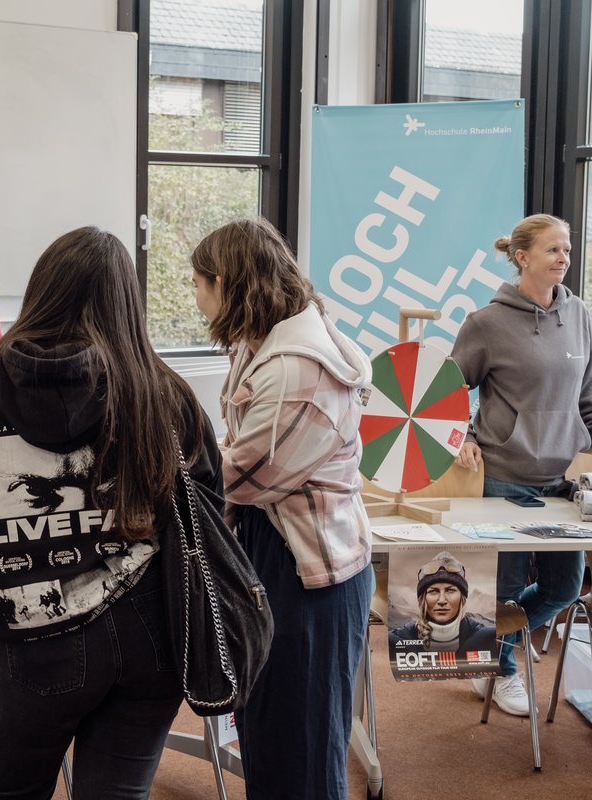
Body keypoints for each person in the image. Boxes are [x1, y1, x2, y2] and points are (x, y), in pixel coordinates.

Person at [0, 226, 220, 800]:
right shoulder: (165, 395)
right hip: (155, 633)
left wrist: (9, 542)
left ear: (41, 291)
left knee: (6, 794)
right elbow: (208, 512)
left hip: (30, 634)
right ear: (128, 299)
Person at [190, 217, 372, 800]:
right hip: (275, 551)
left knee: (302, 751)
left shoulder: (297, 367)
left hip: (304, 573)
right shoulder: (265, 344)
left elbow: (239, 477)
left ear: (226, 282)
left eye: (198, 285)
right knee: (268, 735)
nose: (195, 300)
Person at [451, 212, 592, 716]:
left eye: (568, 249)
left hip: (557, 481)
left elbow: (589, 391)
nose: (564, 259)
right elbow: (442, 392)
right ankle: (502, 673)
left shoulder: (576, 314)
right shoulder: (486, 324)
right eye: (554, 250)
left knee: (564, 585)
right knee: (508, 593)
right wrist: (462, 437)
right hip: (503, 481)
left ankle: (489, 651)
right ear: (522, 257)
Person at [388, 552, 496, 657]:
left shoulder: (485, 636)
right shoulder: (399, 639)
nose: (442, 600)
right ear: (423, 599)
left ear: (462, 598)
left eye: (450, 590)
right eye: (433, 591)